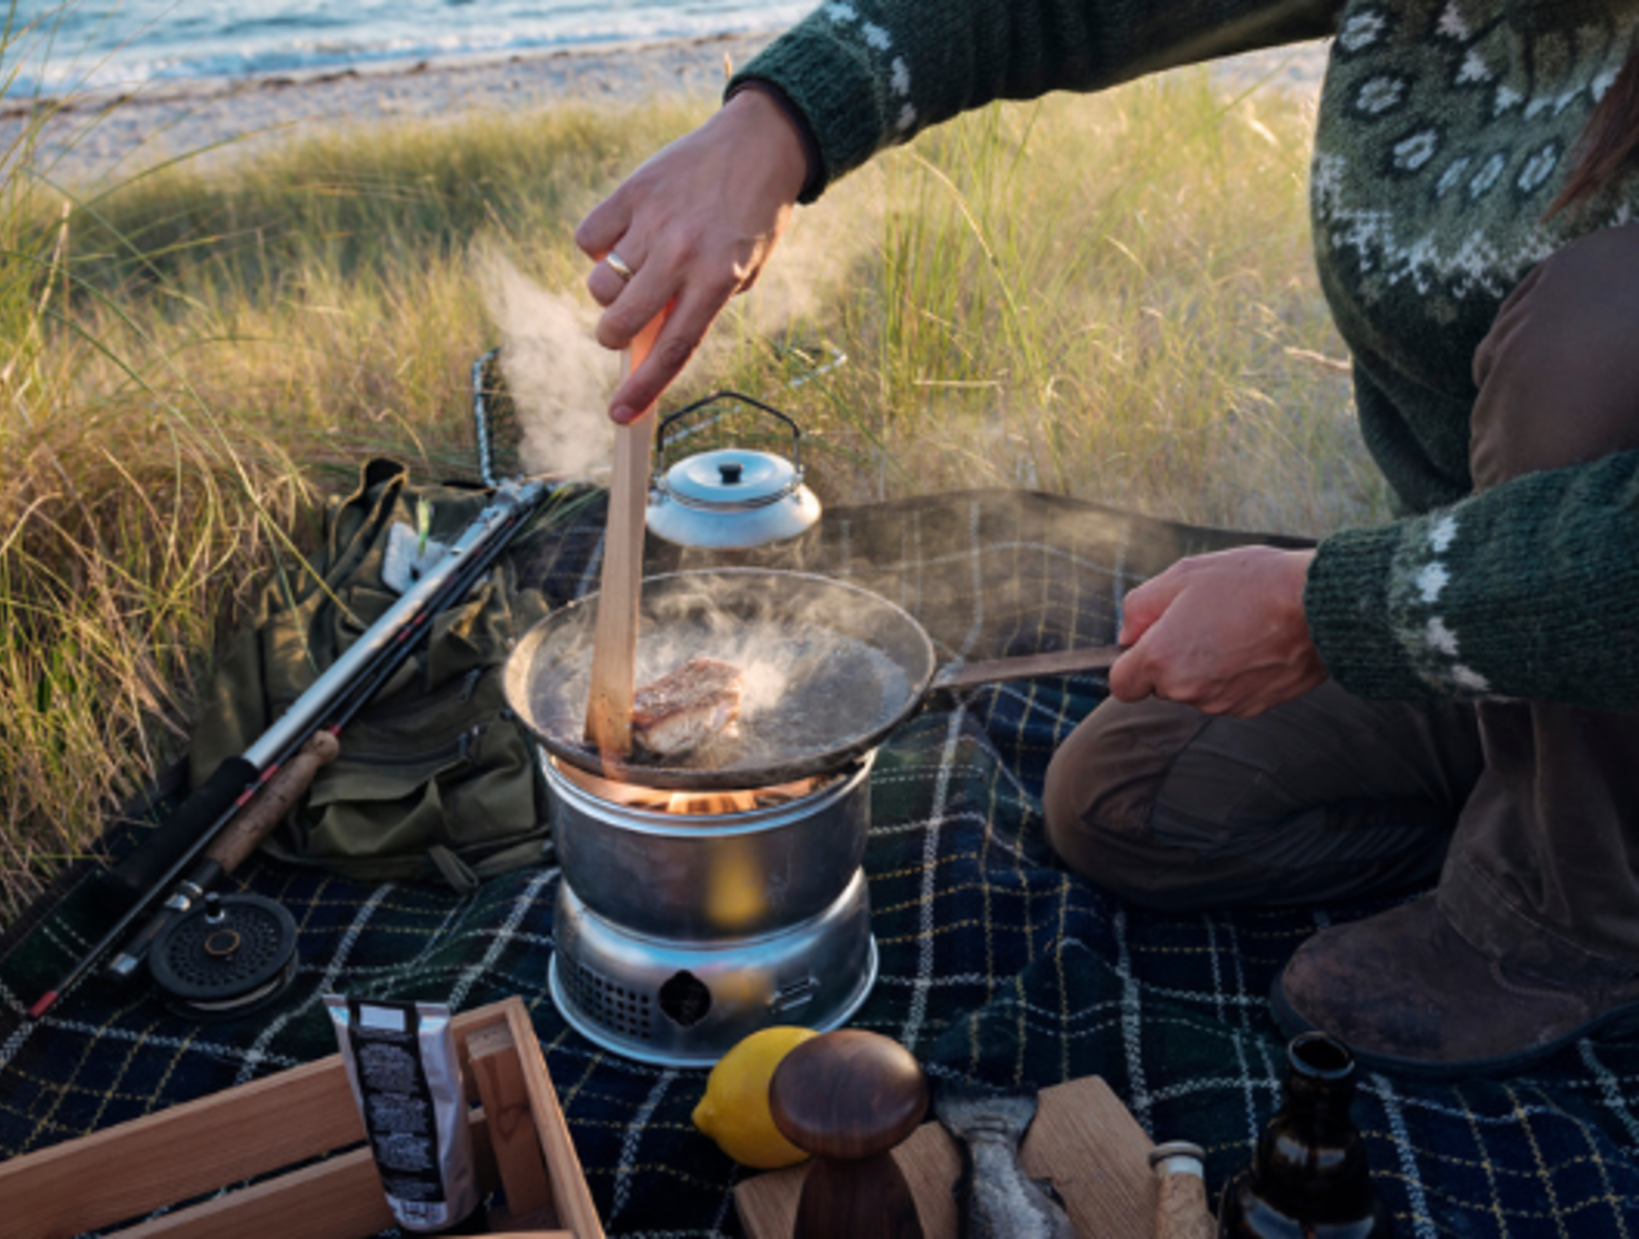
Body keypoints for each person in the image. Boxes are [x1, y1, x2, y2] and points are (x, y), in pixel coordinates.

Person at [574, 0, 1639, 1078]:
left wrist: (1339, 609)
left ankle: (1565, 916)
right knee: (1126, 809)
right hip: (1479, 631)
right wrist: (779, 121)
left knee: (1604, 328)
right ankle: (1522, 810)